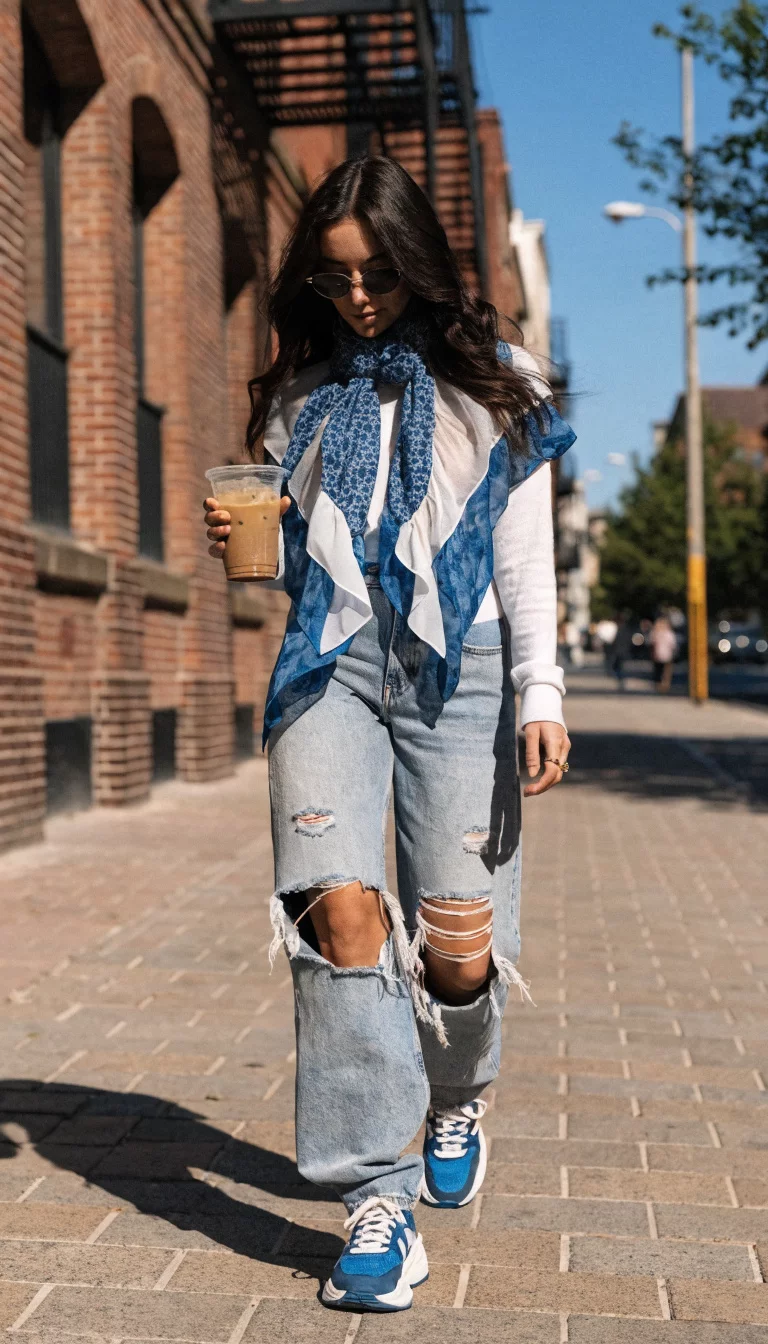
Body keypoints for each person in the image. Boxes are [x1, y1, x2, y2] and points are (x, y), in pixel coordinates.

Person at [203, 156, 574, 1314]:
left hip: (461, 668)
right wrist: (249, 540)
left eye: (378, 273)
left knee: (457, 945)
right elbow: (293, 554)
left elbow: (521, 551)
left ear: (418, 260)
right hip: (330, 664)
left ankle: (455, 1098)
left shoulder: (496, 378)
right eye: (335, 278)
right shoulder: (299, 391)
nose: (359, 298)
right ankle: (376, 1192)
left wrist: (542, 690)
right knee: (339, 912)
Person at [607, 612, 635, 690]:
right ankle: (621, 679)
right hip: (624, 650)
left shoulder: (619, 630)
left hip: (619, 651)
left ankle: (620, 679)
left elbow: (615, 641)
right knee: (620, 666)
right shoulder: (627, 630)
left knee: (618, 666)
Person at [650, 614, 677, 693]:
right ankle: (662, 684)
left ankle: (662, 684)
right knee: (662, 671)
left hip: (663, 654)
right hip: (663, 654)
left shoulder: (659, 633)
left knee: (662, 671)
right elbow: (673, 645)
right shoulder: (667, 634)